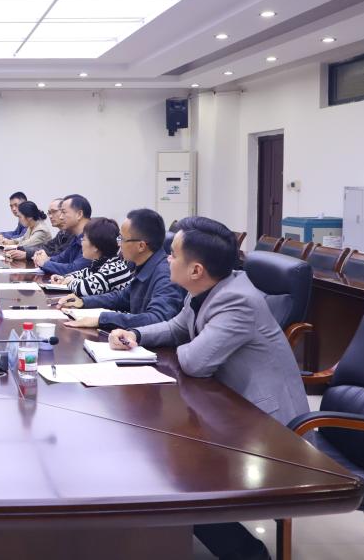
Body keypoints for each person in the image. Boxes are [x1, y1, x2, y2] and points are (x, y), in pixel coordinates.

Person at [109, 216, 308, 560]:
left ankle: (248, 554)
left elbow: (195, 362)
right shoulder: (205, 289)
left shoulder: (238, 301)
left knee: (178, 477)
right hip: (230, 406)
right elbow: (176, 328)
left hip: (268, 430)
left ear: (196, 269)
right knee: (156, 453)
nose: (167, 259)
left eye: (173, 254)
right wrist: (136, 335)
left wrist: (185, 345)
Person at [57, 208, 184, 329]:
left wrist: (102, 319)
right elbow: (122, 297)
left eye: (122, 239)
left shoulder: (166, 274)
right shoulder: (144, 265)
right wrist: (84, 302)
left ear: (141, 246)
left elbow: (158, 319)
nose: (119, 244)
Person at [50, 217, 134, 298]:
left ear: (95, 246)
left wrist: (68, 282)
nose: (81, 242)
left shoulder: (114, 268)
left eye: (84, 239)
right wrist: (62, 278)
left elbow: (83, 289)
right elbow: (82, 273)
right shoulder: (99, 263)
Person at [32, 194, 92, 275]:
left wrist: (45, 263)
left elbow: (75, 270)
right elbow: (61, 258)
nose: (61, 217)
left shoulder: (93, 237)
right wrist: (44, 259)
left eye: (64, 212)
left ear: (79, 214)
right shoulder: (76, 236)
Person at [4, 198, 70, 262]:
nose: (50, 216)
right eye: (49, 213)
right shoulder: (61, 233)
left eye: (54, 211)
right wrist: (11, 242)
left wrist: (26, 254)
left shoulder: (41, 230)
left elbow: (59, 255)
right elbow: (46, 248)